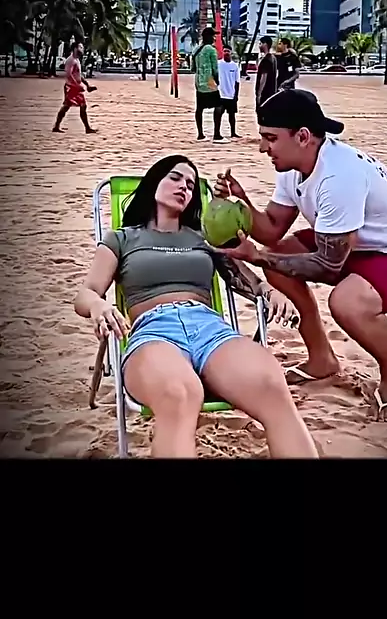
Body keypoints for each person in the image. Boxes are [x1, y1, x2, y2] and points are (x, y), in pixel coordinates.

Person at [213, 89, 387, 422]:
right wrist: (242, 201)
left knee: (347, 303)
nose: (262, 147)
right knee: (278, 258)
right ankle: (321, 359)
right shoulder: (293, 166)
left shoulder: (338, 176)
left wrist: (259, 258)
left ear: (303, 136)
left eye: (270, 138)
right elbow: (272, 229)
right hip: (355, 243)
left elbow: (328, 265)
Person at [74, 154, 318, 459]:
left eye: (190, 185)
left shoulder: (204, 238)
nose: (184, 187)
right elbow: (86, 294)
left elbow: (249, 281)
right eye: (175, 178)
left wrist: (269, 292)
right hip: (155, 331)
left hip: (210, 329)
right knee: (179, 394)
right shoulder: (122, 238)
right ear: (154, 183)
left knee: (271, 387)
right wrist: (98, 305)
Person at [52, 42, 97, 133]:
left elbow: (78, 75)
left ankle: (57, 126)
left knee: (70, 106)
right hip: (71, 88)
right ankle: (87, 128)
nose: (82, 49)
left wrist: (87, 85)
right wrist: (77, 85)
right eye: (81, 47)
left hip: (75, 87)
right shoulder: (71, 60)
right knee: (73, 106)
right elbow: (69, 74)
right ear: (75, 48)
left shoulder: (76, 60)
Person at [192, 27, 223, 142]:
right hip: (209, 82)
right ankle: (217, 134)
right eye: (213, 36)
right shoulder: (211, 49)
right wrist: (217, 81)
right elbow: (215, 68)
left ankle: (200, 134)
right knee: (219, 106)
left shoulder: (196, 49)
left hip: (198, 82)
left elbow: (192, 68)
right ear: (209, 37)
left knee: (199, 108)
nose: (215, 38)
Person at [217, 45, 241, 139]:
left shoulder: (235, 66)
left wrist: (236, 95)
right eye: (225, 51)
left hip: (231, 94)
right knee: (218, 114)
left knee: (232, 115)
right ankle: (217, 132)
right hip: (220, 94)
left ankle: (233, 132)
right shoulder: (218, 64)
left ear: (231, 53)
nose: (226, 53)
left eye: (228, 51)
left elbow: (237, 82)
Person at [256, 36, 277, 109]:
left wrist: (259, 93)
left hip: (265, 93)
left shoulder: (266, 60)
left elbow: (263, 78)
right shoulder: (273, 58)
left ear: (265, 44)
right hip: (271, 92)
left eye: (260, 44)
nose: (259, 46)